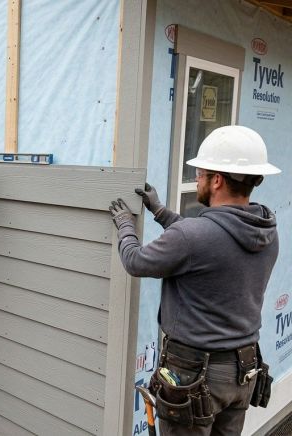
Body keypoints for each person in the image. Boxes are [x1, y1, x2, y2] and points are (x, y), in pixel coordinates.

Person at [109, 125, 281, 435]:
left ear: (217, 180)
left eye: (199, 175)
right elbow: (206, 241)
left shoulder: (194, 237)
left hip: (194, 374)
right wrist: (160, 212)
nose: (196, 180)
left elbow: (136, 261)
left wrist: (124, 225)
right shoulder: (266, 230)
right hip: (242, 370)